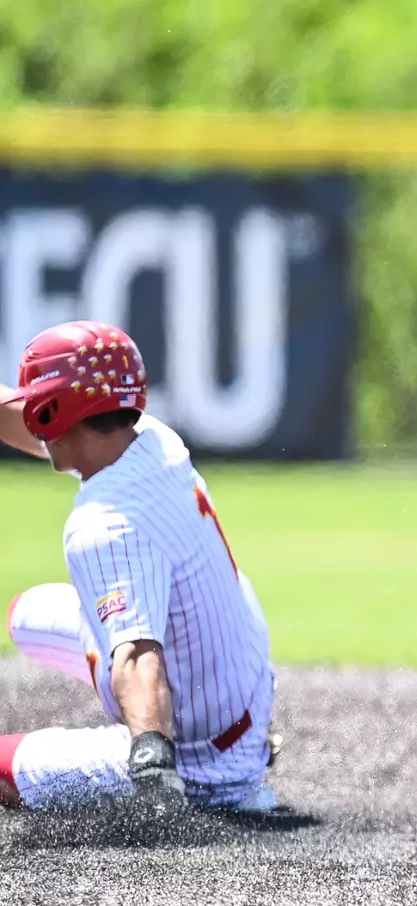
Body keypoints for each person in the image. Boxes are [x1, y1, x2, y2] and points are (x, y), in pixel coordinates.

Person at [0, 321, 280, 813]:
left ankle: (211, 782)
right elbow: (31, 420)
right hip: (241, 692)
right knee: (24, 616)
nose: (31, 410)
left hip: (204, 763)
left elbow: (137, 658)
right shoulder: (151, 437)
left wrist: (152, 763)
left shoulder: (102, 524)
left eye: (40, 399)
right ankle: (237, 738)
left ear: (56, 410)